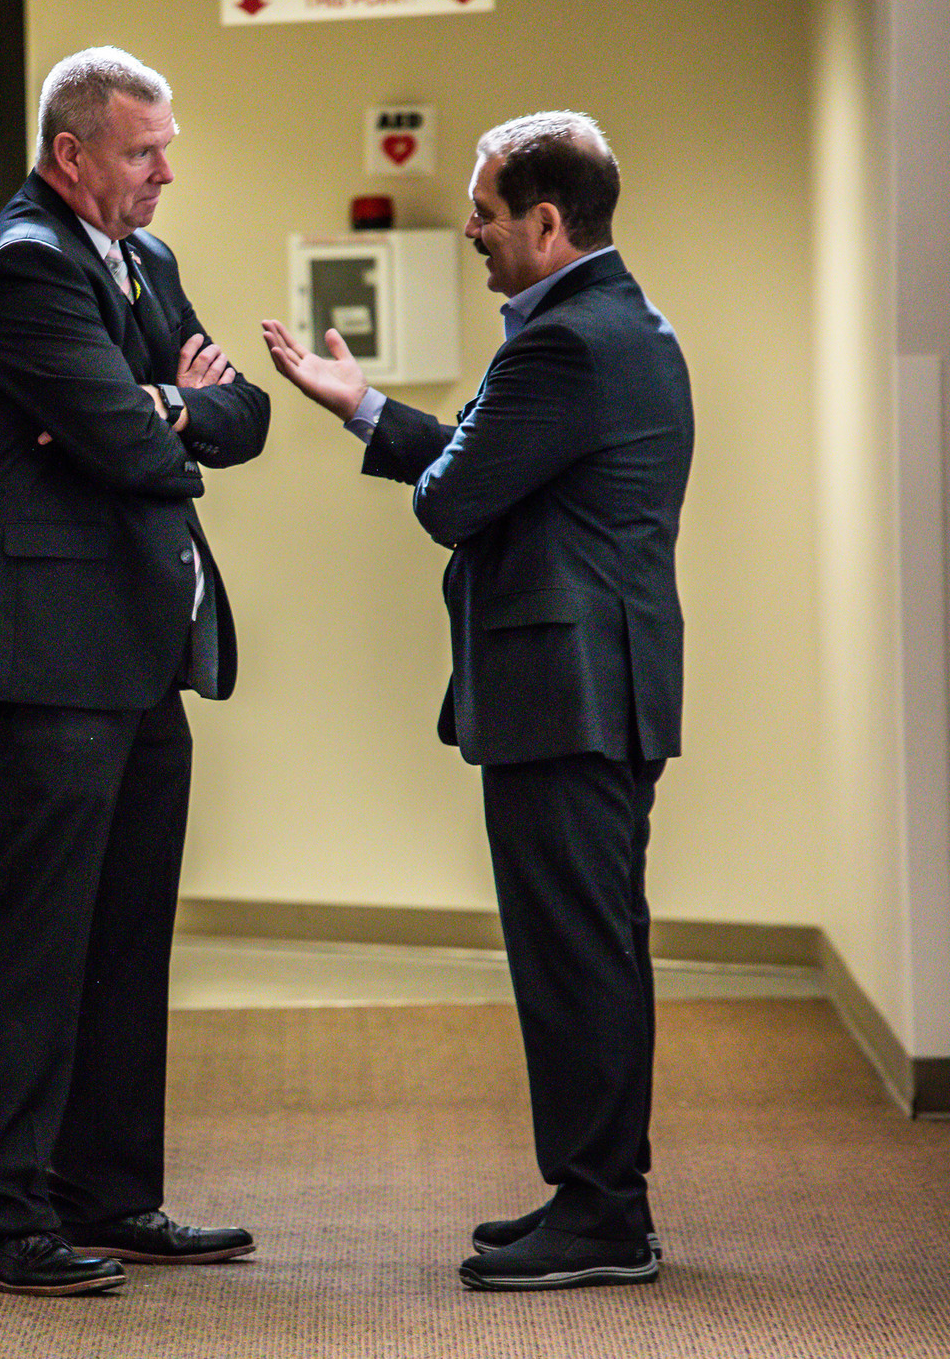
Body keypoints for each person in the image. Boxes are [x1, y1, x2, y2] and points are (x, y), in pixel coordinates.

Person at [263, 110, 693, 1291]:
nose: (470, 229)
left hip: (569, 695)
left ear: (546, 223)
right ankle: (593, 1196)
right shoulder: (608, 325)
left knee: (575, 959)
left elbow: (452, 497)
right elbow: (488, 461)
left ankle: (603, 1217)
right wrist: (363, 409)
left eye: (487, 212)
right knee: (583, 950)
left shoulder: (561, 343)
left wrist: (429, 456)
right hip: (594, 688)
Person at [0, 46, 270, 1297]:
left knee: (122, 939)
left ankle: (108, 1197)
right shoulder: (18, 268)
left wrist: (159, 406)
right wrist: (160, 408)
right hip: (30, 670)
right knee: (30, 949)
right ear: (70, 155)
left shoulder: (143, 261)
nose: (164, 170)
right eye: (139, 149)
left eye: (165, 144)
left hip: (130, 659)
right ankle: (0, 1227)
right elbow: (133, 448)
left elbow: (243, 419)